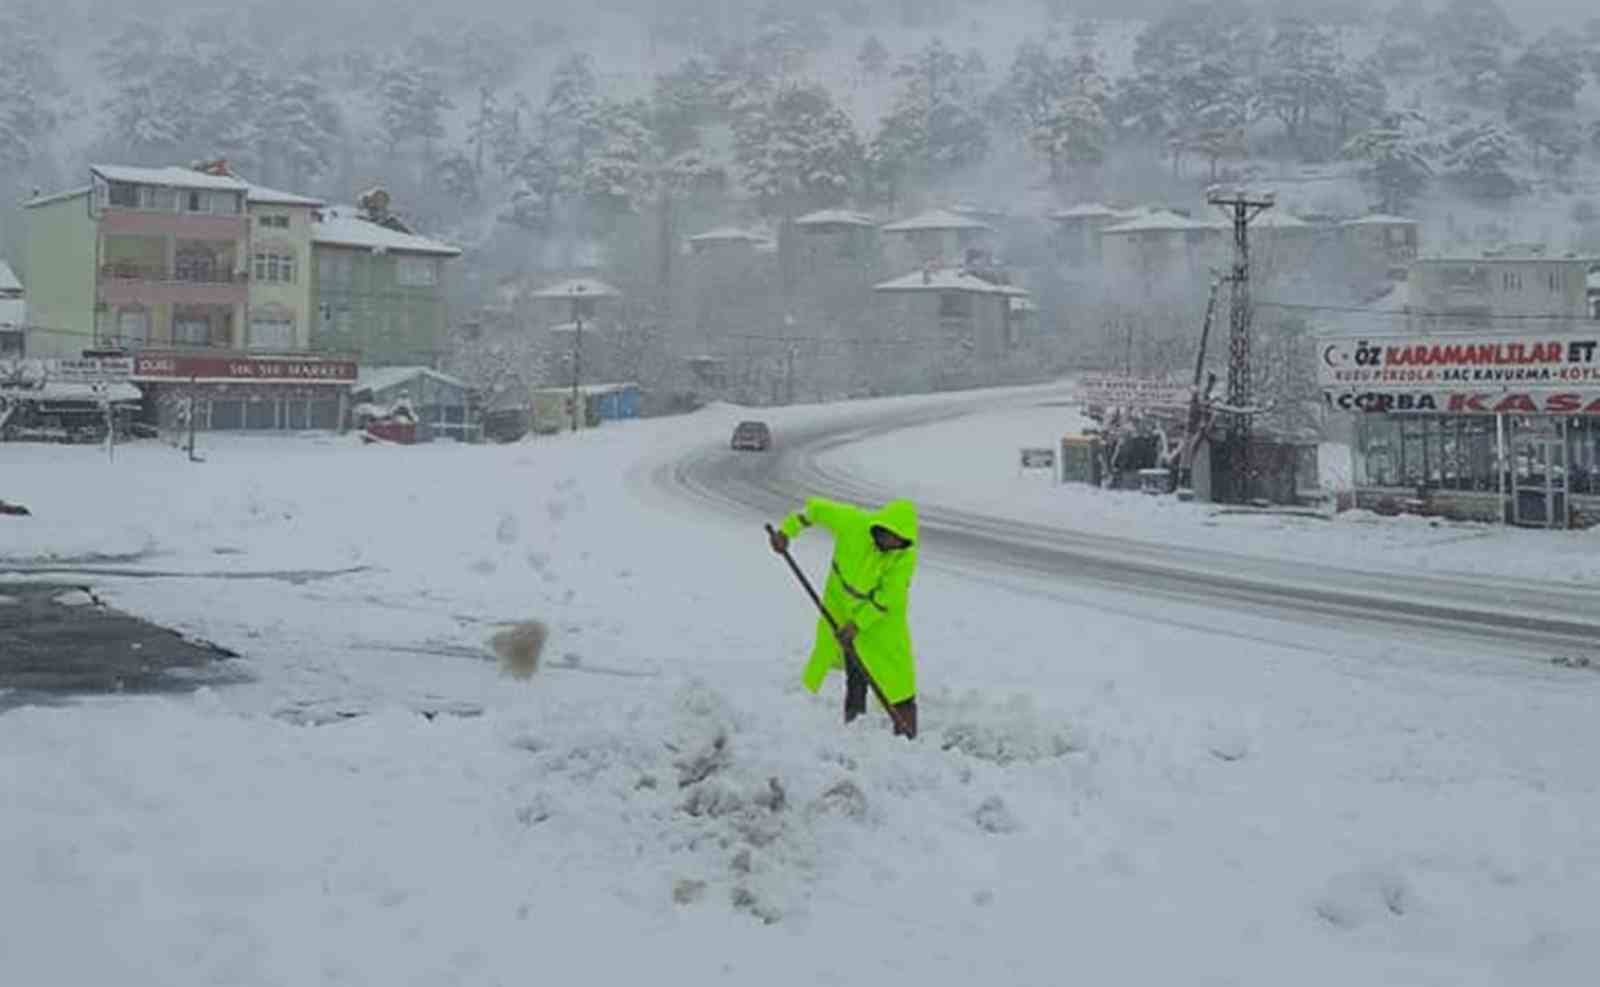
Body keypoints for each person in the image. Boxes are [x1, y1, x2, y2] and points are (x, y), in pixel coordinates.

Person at [770, 497, 919, 738]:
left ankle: (907, 734)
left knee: (899, 676)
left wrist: (858, 624)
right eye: (893, 539)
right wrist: (787, 532)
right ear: (883, 528)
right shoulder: (853, 522)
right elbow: (814, 511)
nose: (894, 546)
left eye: (900, 542)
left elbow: (888, 595)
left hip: (883, 618)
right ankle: (853, 726)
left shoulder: (904, 555)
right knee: (856, 670)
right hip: (842, 609)